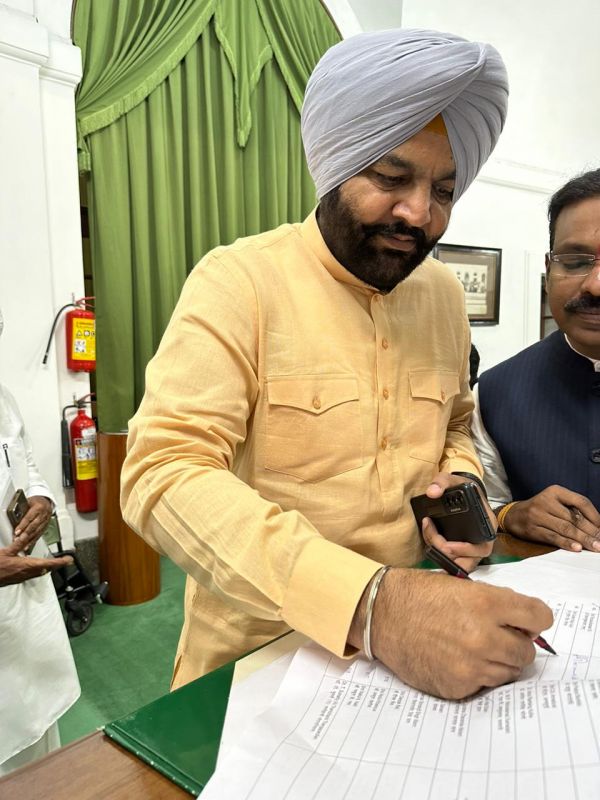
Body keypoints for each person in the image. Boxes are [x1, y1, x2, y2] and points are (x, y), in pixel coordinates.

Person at [121, 29, 552, 701]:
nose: (419, 213)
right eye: (391, 178)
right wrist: (370, 604)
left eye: (443, 190)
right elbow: (163, 472)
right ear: (336, 162)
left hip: (413, 650)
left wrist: (462, 493)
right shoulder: (240, 281)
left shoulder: (441, 296)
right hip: (255, 657)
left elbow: (454, 424)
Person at [472, 168, 600, 552]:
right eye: (575, 262)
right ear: (549, 271)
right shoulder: (494, 393)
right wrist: (512, 514)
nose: (595, 286)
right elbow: (486, 510)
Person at [0, 309, 80, 775]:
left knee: (41, 748)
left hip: (25, 609)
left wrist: (42, 499)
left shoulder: (3, 399)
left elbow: (24, 462)